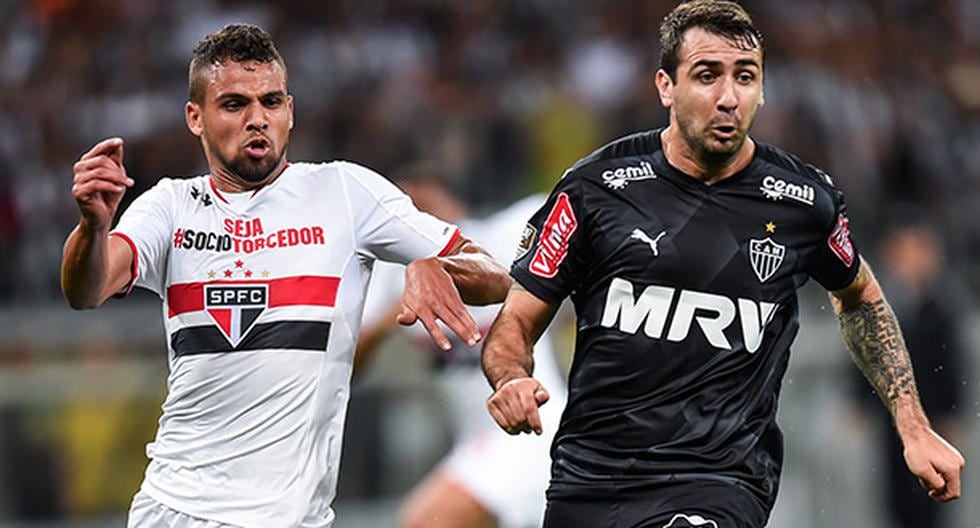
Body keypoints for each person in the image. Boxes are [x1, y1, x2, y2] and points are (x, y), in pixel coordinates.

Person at [480, 2, 965, 527]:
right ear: (666, 86)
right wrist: (510, 378)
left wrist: (913, 425)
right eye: (707, 76)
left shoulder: (804, 203)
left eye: (746, 77)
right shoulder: (594, 190)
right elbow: (515, 323)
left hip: (721, 482)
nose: (729, 98)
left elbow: (862, 299)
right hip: (590, 483)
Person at [60, 24, 511, 528]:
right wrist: (92, 228)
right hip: (177, 509)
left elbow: (496, 275)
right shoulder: (170, 206)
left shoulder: (345, 193)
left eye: (271, 102)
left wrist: (434, 263)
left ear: (289, 111)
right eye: (234, 105)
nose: (258, 119)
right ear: (195, 117)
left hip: (295, 518)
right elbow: (87, 289)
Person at [357, 169, 566, 528]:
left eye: (427, 205)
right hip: (477, 440)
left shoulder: (506, 235)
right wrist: (390, 315)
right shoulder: (394, 277)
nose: (419, 220)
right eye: (408, 210)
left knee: (425, 521)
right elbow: (347, 366)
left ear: (454, 203)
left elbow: (577, 203)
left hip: (535, 427)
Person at [852, 218, 966, 528]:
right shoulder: (883, 303)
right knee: (895, 492)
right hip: (891, 418)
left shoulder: (939, 309)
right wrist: (862, 401)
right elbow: (863, 351)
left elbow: (950, 365)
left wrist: (949, 412)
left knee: (930, 494)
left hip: (930, 415)